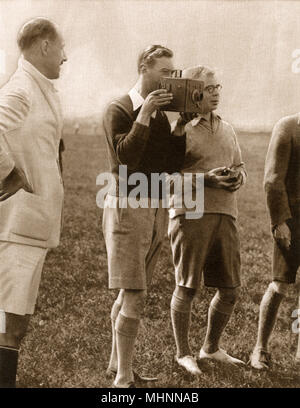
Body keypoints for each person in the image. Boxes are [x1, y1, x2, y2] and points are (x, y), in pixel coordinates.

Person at [102, 45, 187, 388]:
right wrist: (144, 115)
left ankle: (115, 365)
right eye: (164, 71)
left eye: (172, 72)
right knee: (135, 293)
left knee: (129, 292)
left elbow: (169, 166)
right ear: (144, 67)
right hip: (126, 207)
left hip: (153, 208)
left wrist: (179, 128)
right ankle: (123, 378)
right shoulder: (119, 109)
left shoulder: (160, 117)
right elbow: (125, 160)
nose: (170, 79)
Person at [0, 17, 67, 387]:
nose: (65, 56)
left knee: (14, 324)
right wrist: (9, 175)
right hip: (14, 228)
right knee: (7, 325)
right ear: (44, 46)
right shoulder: (21, 90)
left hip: (29, 227)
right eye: (61, 48)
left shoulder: (39, 88)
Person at [168, 65, 247, 375]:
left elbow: (240, 166)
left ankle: (211, 348)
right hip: (191, 213)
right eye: (209, 88)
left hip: (226, 214)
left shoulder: (227, 128)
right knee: (187, 286)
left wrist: (238, 177)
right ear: (193, 93)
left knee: (230, 288)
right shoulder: (179, 130)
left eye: (218, 87)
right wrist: (206, 180)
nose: (215, 93)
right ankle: (183, 353)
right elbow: (165, 180)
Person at [250, 114, 300, 369]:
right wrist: (280, 222)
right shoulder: (288, 127)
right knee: (280, 285)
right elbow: (272, 179)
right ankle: (260, 348)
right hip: (292, 220)